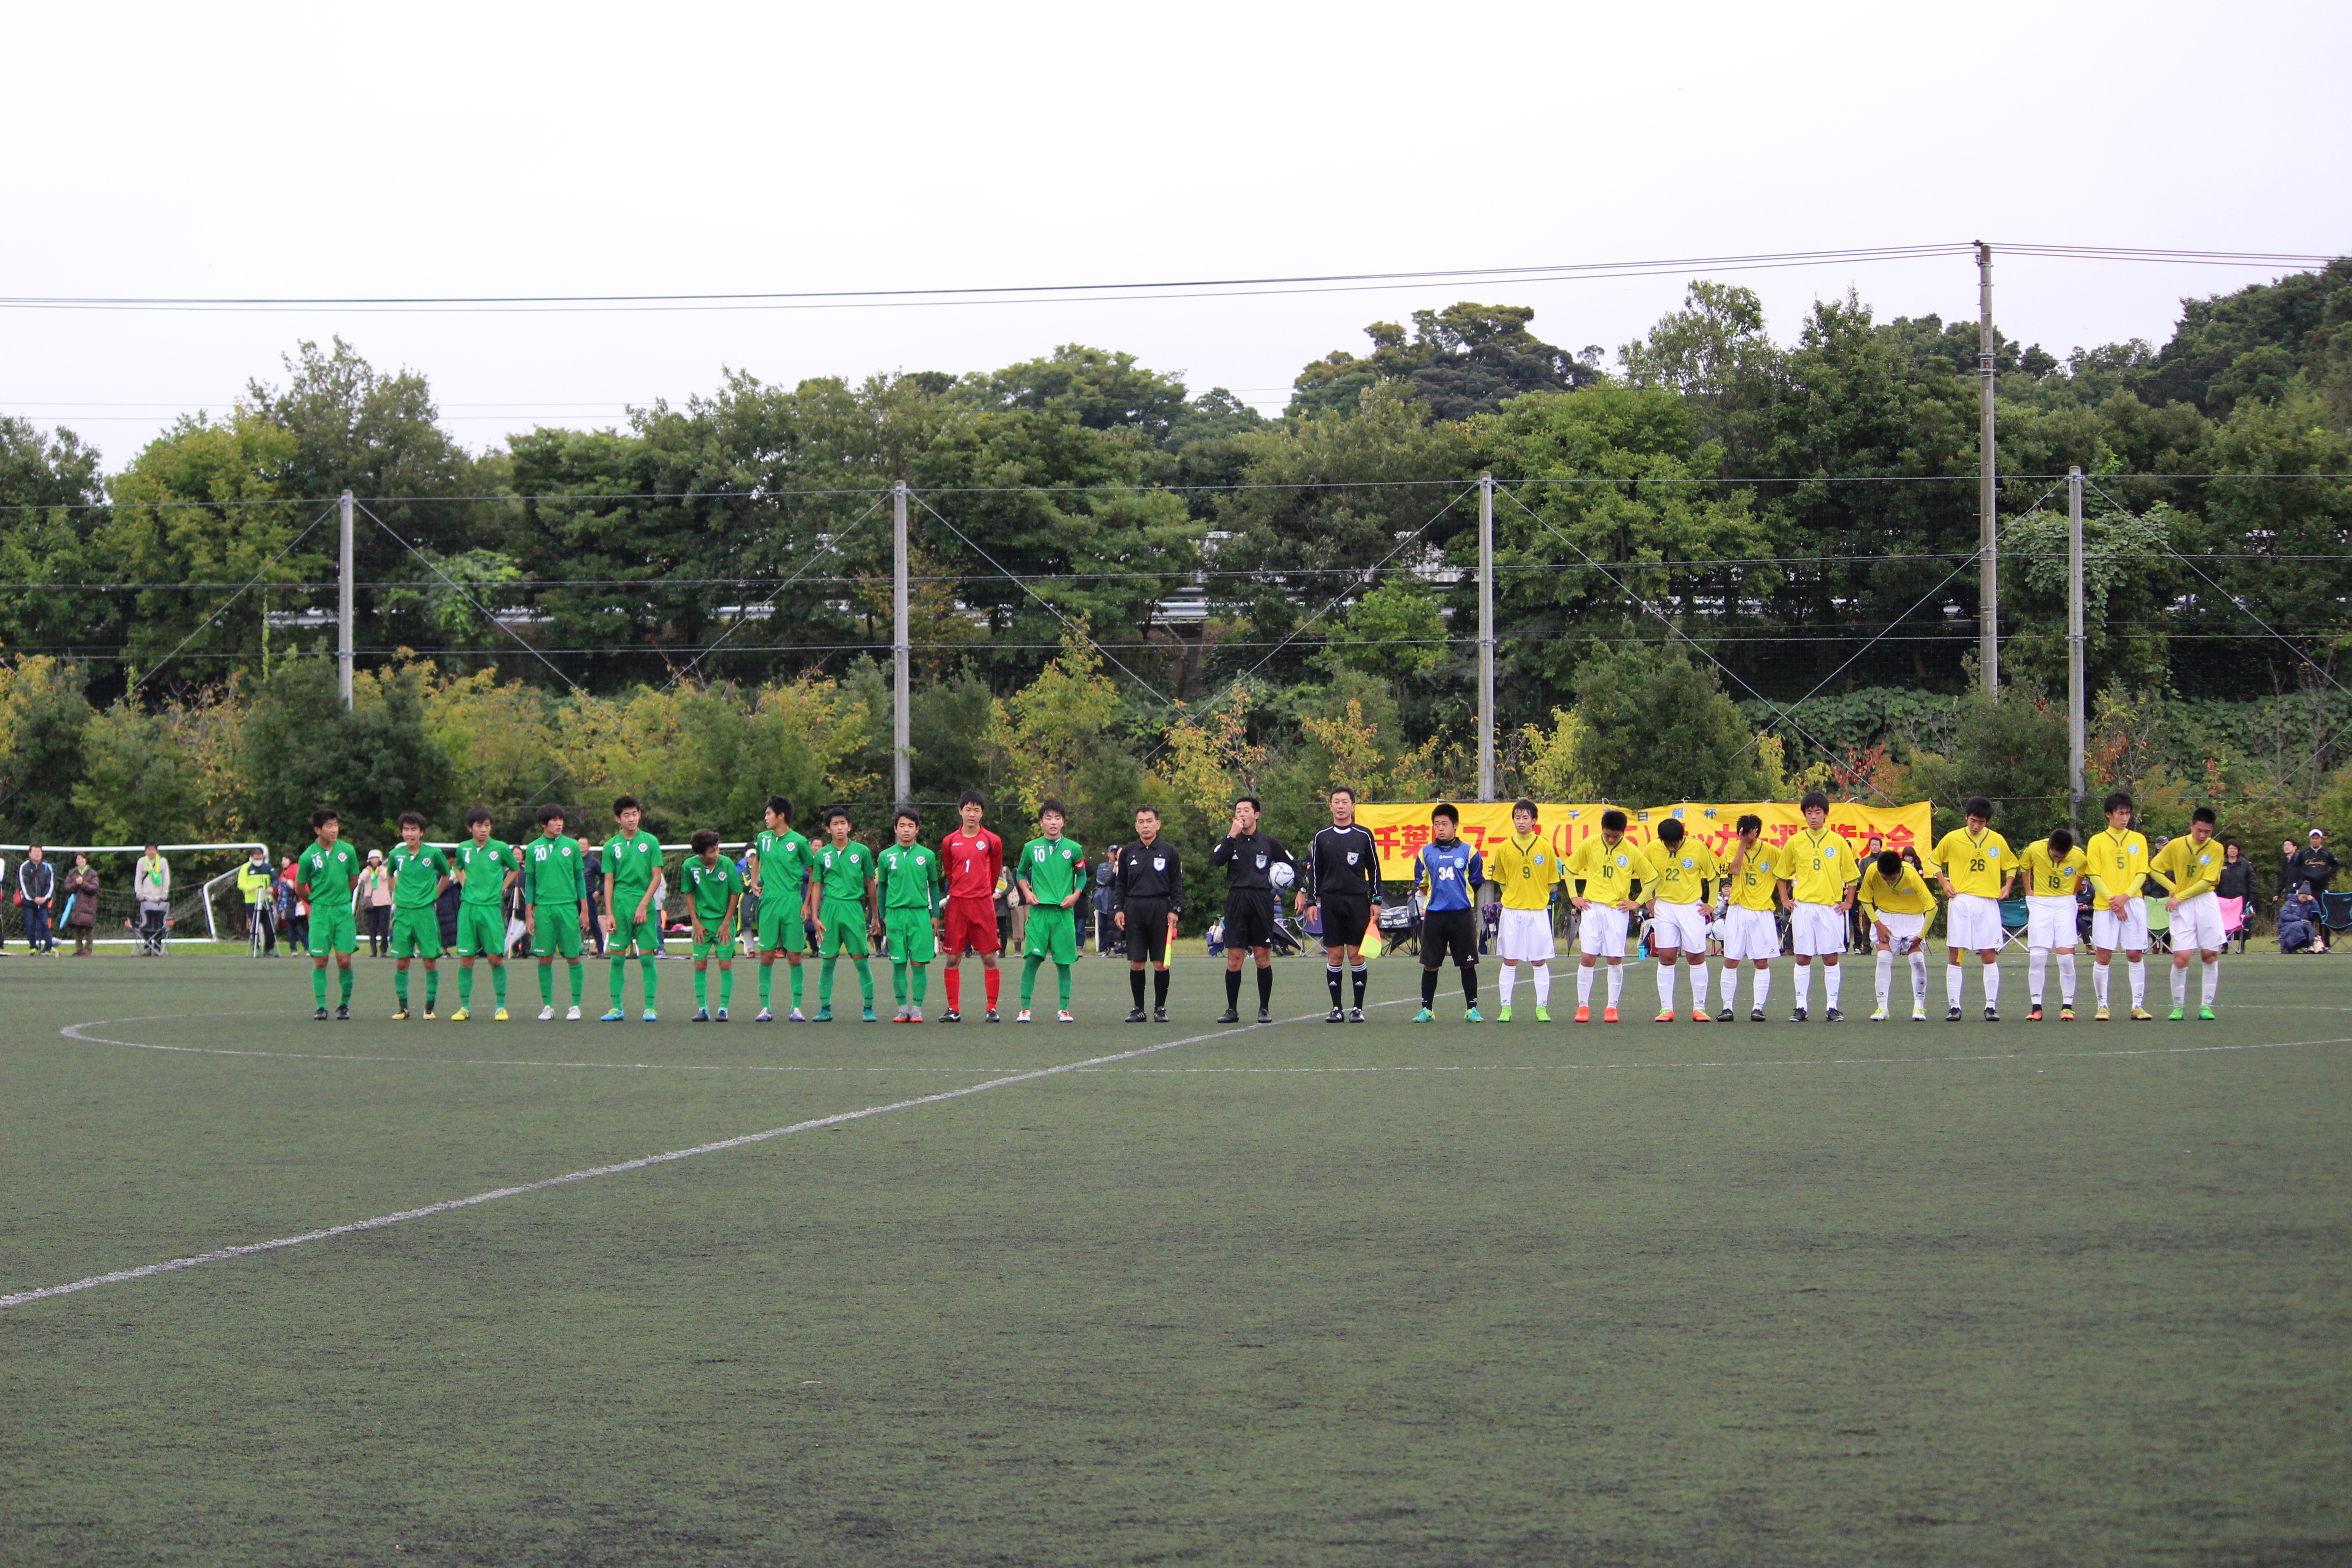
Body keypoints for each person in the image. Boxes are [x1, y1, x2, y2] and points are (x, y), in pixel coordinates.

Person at [1930, 797, 2014, 1022]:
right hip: (1962, 901)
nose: (1977, 826)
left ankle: (1990, 1006)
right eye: (1974, 821)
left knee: (1988, 954)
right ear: (1967, 817)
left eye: (1982, 822)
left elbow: (2011, 864)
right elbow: (1934, 861)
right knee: (1956, 954)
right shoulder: (1953, 838)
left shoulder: (1997, 840)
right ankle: (1954, 1006)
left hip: (1987, 902)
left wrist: (2007, 885)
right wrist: (1944, 882)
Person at [1210, 795, 1293, 1024]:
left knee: (1262, 956)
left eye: (1247, 810)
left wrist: (1281, 890)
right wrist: (1231, 835)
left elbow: (1290, 867)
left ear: (1256, 815)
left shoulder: (1269, 842)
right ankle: (1231, 1010)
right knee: (1235, 957)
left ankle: (1264, 1009)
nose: (1242, 814)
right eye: (1238, 810)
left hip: (1261, 901)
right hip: (1236, 900)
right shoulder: (1230, 840)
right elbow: (1217, 860)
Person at [1303, 786, 1382, 1023]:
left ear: (1353, 806)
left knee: (1356, 955)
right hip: (1332, 902)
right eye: (1336, 802)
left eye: (1345, 802)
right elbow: (1315, 873)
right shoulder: (1322, 837)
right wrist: (1312, 901)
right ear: (1330, 806)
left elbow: (1375, 869)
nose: (1340, 806)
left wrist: (1376, 899)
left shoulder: (1364, 835)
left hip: (1358, 901)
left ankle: (1358, 1008)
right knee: (1335, 955)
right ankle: (1336, 1008)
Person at [1778, 790, 1858, 1022]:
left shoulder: (1838, 842)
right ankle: (1801, 1007)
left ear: (1826, 815)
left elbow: (1852, 875)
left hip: (1829, 908)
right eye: (1809, 812)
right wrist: (1785, 900)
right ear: (1804, 815)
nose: (1814, 817)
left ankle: (1832, 1007)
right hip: (1804, 907)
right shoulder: (1795, 842)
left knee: (1830, 957)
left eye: (1818, 812)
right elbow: (1781, 875)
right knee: (1802, 957)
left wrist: (1849, 902)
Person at [1482, 798, 1558, 1022]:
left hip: (1537, 911)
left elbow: (1552, 880)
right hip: (1512, 911)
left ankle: (1541, 1008)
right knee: (1510, 959)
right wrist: (1513, 896)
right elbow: (1502, 881)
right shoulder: (1504, 847)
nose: (1521, 821)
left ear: (1534, 821)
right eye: (1517, 817)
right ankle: (1506, 1008)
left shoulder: (1544, 846)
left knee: (1539, 961)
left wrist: (1537, 896)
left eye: (1526, 818)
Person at [1564, 809, 1642, 1022]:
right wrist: (1574, 897)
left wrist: (1637, 901)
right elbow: (1570, 869)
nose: (1610, 839)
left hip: (1617, 910)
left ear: (1623, 833)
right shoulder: (1590, 844)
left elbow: (1651, 877)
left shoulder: (1631, 850)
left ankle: (1612, 1007)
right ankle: (1583, 1007)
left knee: (1614, 958)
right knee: (1588, 956)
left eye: (1615, 836)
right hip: (1592, 907)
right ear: (1602, 829)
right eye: (1607, 834)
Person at [1640, 818, 1721, 1022]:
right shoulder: (1652, 848)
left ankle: (1699, 1008)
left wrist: (1711, 904)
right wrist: (1648, 899)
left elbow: (1713, 876)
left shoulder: (1697, 847)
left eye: (1674, 843)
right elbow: (1645, 874)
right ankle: (1666, 1009)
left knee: (1696, 956)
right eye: (1667, 844)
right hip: (1665, 908)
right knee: (1666, 957)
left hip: (1691, 907)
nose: (1671, 847)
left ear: (1682, 837)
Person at [1411, 802, 1485, 1022]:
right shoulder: (1425, 853)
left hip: (1461, 915)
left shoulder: (1470, 852)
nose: (1440, 828)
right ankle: (1427, 1009)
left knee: (1467, 963)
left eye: (1445, 824)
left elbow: (1476, 881)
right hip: (1435, 915)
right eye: (1436, 824)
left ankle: (1472, 1009)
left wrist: (1459, 897)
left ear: (1456, 825)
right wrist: (1438, 897)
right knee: (1431, 964)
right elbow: (1422, 883)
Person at [1014, 799, 1086, 1023]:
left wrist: (1075, 896)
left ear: (1064, 822)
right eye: (1049, 818)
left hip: (1063, 914)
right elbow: (1021, 874)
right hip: (1039, 913)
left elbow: (1082, 876)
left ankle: (1064, 1008)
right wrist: (1027, 892)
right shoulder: (1030, 847)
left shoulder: (1074, 849)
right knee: (1032, 960)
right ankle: (1025, 1008)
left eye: (1057, 818)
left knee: (1064, 962)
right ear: (1041, 822)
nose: (1053, 822)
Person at [938, 790, 1006, 1024]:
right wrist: (960, 890)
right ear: (960, 811)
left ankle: (992, 1008)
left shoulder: (992, 840)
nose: (972, 814)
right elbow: (950, 871)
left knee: (989, 957)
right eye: (968, 809)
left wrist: (983, 892)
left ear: (982, 813)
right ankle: (953, 1009)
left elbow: (995, 872)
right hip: (957, 904)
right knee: (952, 958)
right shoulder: (949, 841)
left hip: (982, 904)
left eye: (977, 810)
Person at [1110, 805, 1183, 1023]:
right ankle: (1138, 1008)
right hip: (1134, 909)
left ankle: (1160, 1008)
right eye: (1141, 822)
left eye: (1149, 821)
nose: (1145, 826)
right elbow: (1120, 883)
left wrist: (1175, 909)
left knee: (1161, 962)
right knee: (1137, 961)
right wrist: (1119, 909)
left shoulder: (1169, 851)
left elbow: (1177, 884)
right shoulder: (1128, 853)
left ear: (1158, 824)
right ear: (1136, 826)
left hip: (1161, 908)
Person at [2151, 807, 2226, 1020]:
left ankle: (2206, 1006)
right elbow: (2154, 868)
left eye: (2208, 832)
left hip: (2205, 902)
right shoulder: (2176, 845)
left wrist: (2179, 896)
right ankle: (2178, 1006)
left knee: (2210, 955)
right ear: (2191, 826)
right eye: (2200, 830)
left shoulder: (2217, 849)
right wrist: (2173, 889)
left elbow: (2207, 881)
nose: (2203, 836)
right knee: (2181, 958)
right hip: (2182, 904)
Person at [2086, 792, 2155, 1020]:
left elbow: (2142, 871)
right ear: (2109, 815)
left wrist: (2125, 897)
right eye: (2120, 813)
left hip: (2132, 902)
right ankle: (2102, 1005)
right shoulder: (2097, 841)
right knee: (2104, 954)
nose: (2125, 818)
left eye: (2127, 813)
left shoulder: (2139, 839)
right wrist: (2114, 901)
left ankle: (2137, 1005)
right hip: (2106, 905)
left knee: (2135, 953)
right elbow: (2094, 874)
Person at [749, 795, 818, 1023]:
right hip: (768, 902)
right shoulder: (762, 838)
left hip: (791, 901)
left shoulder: (798, 841)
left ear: (781, 816)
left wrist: (806, 904)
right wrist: (754, 881)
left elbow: (813, 872)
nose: (765, 818)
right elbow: (757, 860)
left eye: (769, 814)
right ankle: (765, 1007)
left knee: (794, 956)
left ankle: (796, 1007)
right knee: (767, 955)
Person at [810, 806, 880, 1023]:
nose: (840, 828)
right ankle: (825, 1009)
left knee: (861, 959)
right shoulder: (822, 854)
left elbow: (871, 883)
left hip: (853, 908)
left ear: (849, 827)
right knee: (828, 959)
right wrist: (815, 916)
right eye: (835, 824)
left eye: (843, 823)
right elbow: (817, 885)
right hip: (830, 909)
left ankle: (868, 1008)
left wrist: (875, 916)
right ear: (828, 829)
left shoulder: (862, 852)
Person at [599, 796, 664, 1023]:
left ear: (640, 815)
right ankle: (616, 1007)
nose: (632, 819)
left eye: (635, 814)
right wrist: (609, 913)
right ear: (618, 819)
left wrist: (644, 905)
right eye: (626, 815)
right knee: (617, 959)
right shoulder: (610, 846)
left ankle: (650, 1008)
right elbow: (609, 881)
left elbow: (657, 876)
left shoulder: (651, 842)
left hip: (643, 901)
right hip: (620, 904)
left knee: (647, 958)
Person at [450, 806, 517, 1021]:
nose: (484, 830)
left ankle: (501, 1006)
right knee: (466, 957)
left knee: (495, 958)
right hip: (469, 907)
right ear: (470, 828)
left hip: (491, 909)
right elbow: (457, 867)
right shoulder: (463, 849)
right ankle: (465, 1007)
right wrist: (464, 883)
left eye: (487, 826)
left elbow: (515, 868)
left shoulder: (500, 848)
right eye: (479, 826)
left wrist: (503, 888)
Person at [383, 813, 453, 1019]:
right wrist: (399, 894)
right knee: (402, 961)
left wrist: (434, 896)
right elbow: (389, 874)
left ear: (421, 832)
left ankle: (429, 1008)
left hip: (425, 912)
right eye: (406, 829)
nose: (410, 834)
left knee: (430, 959)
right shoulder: (396, 854)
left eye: (414, 829)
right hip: (403, 912)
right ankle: (403, 1008)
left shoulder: (433, 854)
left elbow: (446, 874)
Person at [877, 807, 944, 1022]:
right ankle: (902, 1008)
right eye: (902, 825)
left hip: (919, 915)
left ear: (918, 830)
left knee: (918, 962)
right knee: (898, 962)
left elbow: (934, 885)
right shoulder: (886, 856)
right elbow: (882, 887)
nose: (906, 830)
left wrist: (935, 914)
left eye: (911, 826)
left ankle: (917, 1009)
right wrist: (882, 914)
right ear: (895, 829)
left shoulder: (927, 855)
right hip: (895, 915)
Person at [524, 804, 589, 1021]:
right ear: (544, 824)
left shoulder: (571, 846)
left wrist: (584, 909)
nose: (559, 823)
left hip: (568, 907)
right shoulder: (533, 848)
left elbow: (580, 879)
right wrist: (529, 913)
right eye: (554, 820)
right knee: (544, 957)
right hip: (544, 910)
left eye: (561, 819)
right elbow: (530, 882)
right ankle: (548, 1006)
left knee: (574, 956)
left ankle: (575, 1005)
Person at [294, 812, 361, 1017]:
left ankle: (344, 1005)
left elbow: (353, 880)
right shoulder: (308, 856)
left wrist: (341, 898)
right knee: (321, 960)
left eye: (336, 825)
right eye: (329, 826)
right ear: (317, 830)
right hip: (321, 912)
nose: (334, 830)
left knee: (344, 960)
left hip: (342, 910)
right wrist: (317, 901)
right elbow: (299, 888)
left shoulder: (348, 851)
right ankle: (321, 1007)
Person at [1715, 814, 1782, 1022]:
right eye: (1744, 834)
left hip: (1762, 911)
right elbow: (1734, 870)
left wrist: (1786, 898)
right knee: (1731, 960)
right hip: (1738, 909)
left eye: (1751, 834)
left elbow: (1784, 875)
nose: (1748, 838)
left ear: (1758, 833)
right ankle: (1727, 1008)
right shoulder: (1732, 848)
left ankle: (1758, 1008)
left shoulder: (1773, 852)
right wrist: (1743, 845)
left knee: (1761, 961)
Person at [1859, 848, 1936, 1021]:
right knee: (1883, 959)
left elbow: (1932, 908)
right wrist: (1878, 924)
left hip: (1913, 918)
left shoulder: (1911, 875)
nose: (1888, 881)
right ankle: (1882, 1008)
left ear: (1900, 870)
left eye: (1892, 878)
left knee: (1917, 961)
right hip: (1886, 917)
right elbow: (1865, 898)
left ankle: (1919, 1007)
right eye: (1885, 877)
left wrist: (1921, 936)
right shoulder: (1872, 871)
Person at [2020, 827, 2088, 1021]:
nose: (2058, 859)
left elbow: (2082, 872)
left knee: (2066, 957)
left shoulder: (2079, 856)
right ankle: (2036, 1007)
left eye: (2062, 857)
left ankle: (2067, 1006)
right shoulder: (2035, 849)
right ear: (2049, 846)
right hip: (2041, 903)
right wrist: (2029, 891)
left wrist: (2073, 893)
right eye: (2055, 855)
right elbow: (2024, 867)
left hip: (2064, 903)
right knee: (2038, 957)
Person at [682, 828, 745, 1022]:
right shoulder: (689, 866)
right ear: (700, 853)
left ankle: (723, 1009)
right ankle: (703, 1008)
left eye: (717, 849)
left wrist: (727, 924)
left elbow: (735, 893)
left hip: (723, 922)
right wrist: (696, 923)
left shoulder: (726, 864)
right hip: (702, 922)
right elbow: (689, 893)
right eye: (711, 851)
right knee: (700, 964)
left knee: (725, 963)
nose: (716, 853)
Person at [2215, 837, 2256, 952]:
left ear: (2238, 851)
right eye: (2230, 848)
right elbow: (2214, 881)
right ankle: (2225, 946)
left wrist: (2251, 899)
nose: (2232, 851)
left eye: (2235, 849)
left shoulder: (2245, 864)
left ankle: (2242, 946)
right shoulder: (2220, 863)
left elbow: (2252, 882)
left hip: (2241, 900)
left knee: (2244, 924)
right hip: (2223, 900)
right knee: (2223, 923)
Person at [132, 843, 170, 956]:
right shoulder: (141, 862)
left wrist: (164, 894)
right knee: (146, 923)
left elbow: (166, 879)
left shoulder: (163, 862)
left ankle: (158, 947)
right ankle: (147, 947)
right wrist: (139, 894)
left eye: (153, 850)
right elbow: (138, 878)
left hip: (159, 898)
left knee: (159, 924)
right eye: (149, 850)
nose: (151, 852)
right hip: (146, 897)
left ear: (156, 851)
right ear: (146, 851)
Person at [237, 847, 276, 956]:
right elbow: (240, 884)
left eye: (260, 859)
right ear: (252, 858)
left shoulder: (268, 867)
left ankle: (269, 949)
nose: (259, 861)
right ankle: (256, 948)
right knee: (254, 926)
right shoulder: (246, 868)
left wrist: (272, 888)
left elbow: (275, 880)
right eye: (256, 859)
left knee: (269, 925)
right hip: (252, 901)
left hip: (266, 901)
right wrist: (250, 888)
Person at [60, 852, 100, 956]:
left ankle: (88, 949)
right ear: (76, 862)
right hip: (76, 905)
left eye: (82, 859)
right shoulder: (72, 873)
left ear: (86, 860)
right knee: (77, 927)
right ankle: (78, 948)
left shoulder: (92, 873)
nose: (81, 861)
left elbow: (94, 888)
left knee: (89, 928)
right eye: (78, 859)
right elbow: (67, 887)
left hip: (89, 905)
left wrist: (83, 884)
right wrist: (75, 884)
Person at [358, 849, 393, 957]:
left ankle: (384, 950)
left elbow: (385, 877)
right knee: (372, 928)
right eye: (372, 859)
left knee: (384, 928)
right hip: (371, 904)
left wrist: (380, 869)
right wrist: (369, 870)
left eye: (376, 859)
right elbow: (362, 878)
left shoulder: (384, 870)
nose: (374, 861)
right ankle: (373, 950)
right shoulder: (367, 871)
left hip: (383, 902)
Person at [2279, 887, 2322, 953]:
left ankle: (2306, 946)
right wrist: (2299, 919)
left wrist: (2313, 902)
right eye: (2303, 897)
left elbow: (2318, 915)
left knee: (2310, 931)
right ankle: (2288, 946)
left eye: (2306, 898)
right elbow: (2284, 915)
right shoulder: (2289, 903)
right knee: (2298, 925)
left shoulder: (2309, 905)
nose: (2304, 900)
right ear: (2298, 895)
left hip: (2304, 926)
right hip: (2287, 925)